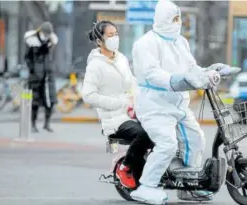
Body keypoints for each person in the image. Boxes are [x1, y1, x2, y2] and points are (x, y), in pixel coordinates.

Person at [129, 0, 230, 204]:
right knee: (167, 144)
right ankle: (146, 186)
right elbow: (152, 74)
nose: (177, 23)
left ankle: (188, 185)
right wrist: (178, 80)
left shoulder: (180, 42)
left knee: (196, 139)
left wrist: (208, 72)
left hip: (178, 104)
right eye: (173, 19)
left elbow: (191, 67)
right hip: (154, 106)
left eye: (178, 18)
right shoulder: (145, 44)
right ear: (162, 19)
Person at [81, 21, 154, 189]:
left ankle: (148, 174)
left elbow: (132, 83)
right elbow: (88, 96)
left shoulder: (121, 58)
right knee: (144, 135)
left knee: (159, 130)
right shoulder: (95, 65)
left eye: (116, 34)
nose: (115, 38)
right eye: (110, 35)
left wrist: (147, 94)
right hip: (114, 119)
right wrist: (118, 103)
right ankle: (125, 167)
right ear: (100, 41)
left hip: (131, 112)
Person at [24, 22, 59, 133]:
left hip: (48, 75)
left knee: (50, 101)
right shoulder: (32, 42)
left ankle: (46, 124)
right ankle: (33, 124)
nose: (47, 35)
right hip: (36, 76)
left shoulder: (51, 42)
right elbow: (27, 58)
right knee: (35, 102)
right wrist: (32, 69)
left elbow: (50, 57)